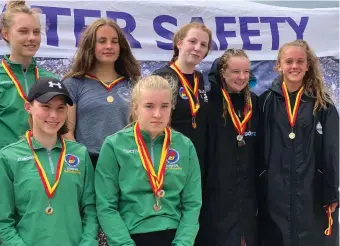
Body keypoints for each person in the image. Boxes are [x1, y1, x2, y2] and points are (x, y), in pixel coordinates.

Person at [95, 75, 202, 246]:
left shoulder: (185, 145)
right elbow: (106, 205)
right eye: (149, 106)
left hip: (175, 237)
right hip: (130, 237)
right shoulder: (114, 145)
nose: (158, 114)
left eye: (164, 106)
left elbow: (192, 203)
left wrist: (183, 243)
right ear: (135, 108)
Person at [258, 39, 339, 246]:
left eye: (300, 61)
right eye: (289, 61)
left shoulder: (323, 104)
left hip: (311, 191)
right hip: (275, 193)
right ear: (279, 65)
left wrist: (331, 192)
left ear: (307, 65)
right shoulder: (265, 101)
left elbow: (332, 151)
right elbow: (257, 148)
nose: (294, 66)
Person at [0, 77, 98, 245]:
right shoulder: (9, 157)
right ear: (28, 107)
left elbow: (91, 210)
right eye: (46, 107)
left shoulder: (79, 154)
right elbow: (3, 221)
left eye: (61, 108)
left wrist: (87, 243)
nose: (54, 115)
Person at [196, 49, 259, 246]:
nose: (242, 77)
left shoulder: (254, 103)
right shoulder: (207, 103)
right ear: (222, 72)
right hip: (216, 194)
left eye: (246, 72)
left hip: (248, 193)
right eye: (235, 72)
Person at [62, 18, 140, 167]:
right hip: (88, 162)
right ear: (91, 45)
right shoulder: (73, 83)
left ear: (121, 46)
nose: (109, 46)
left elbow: (140, 129)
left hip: (126, 162)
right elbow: (67, 133)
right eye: (102, 41)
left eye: (114, 41)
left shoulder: (134, 84)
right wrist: (80, 162)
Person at [152, 22, 212, 180]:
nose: (197, 48)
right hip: (170, 160)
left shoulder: (199, 78)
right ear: (179, 43)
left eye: (203, 45)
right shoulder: (162, 77)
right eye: (192, 41)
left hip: (196, 159)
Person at [0, 0, 57, 149]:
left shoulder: (51, 80)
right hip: (4, 165)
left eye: (36, 32)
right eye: (23, 31)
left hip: (41, 167)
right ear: (6, 34)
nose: (31, 37)